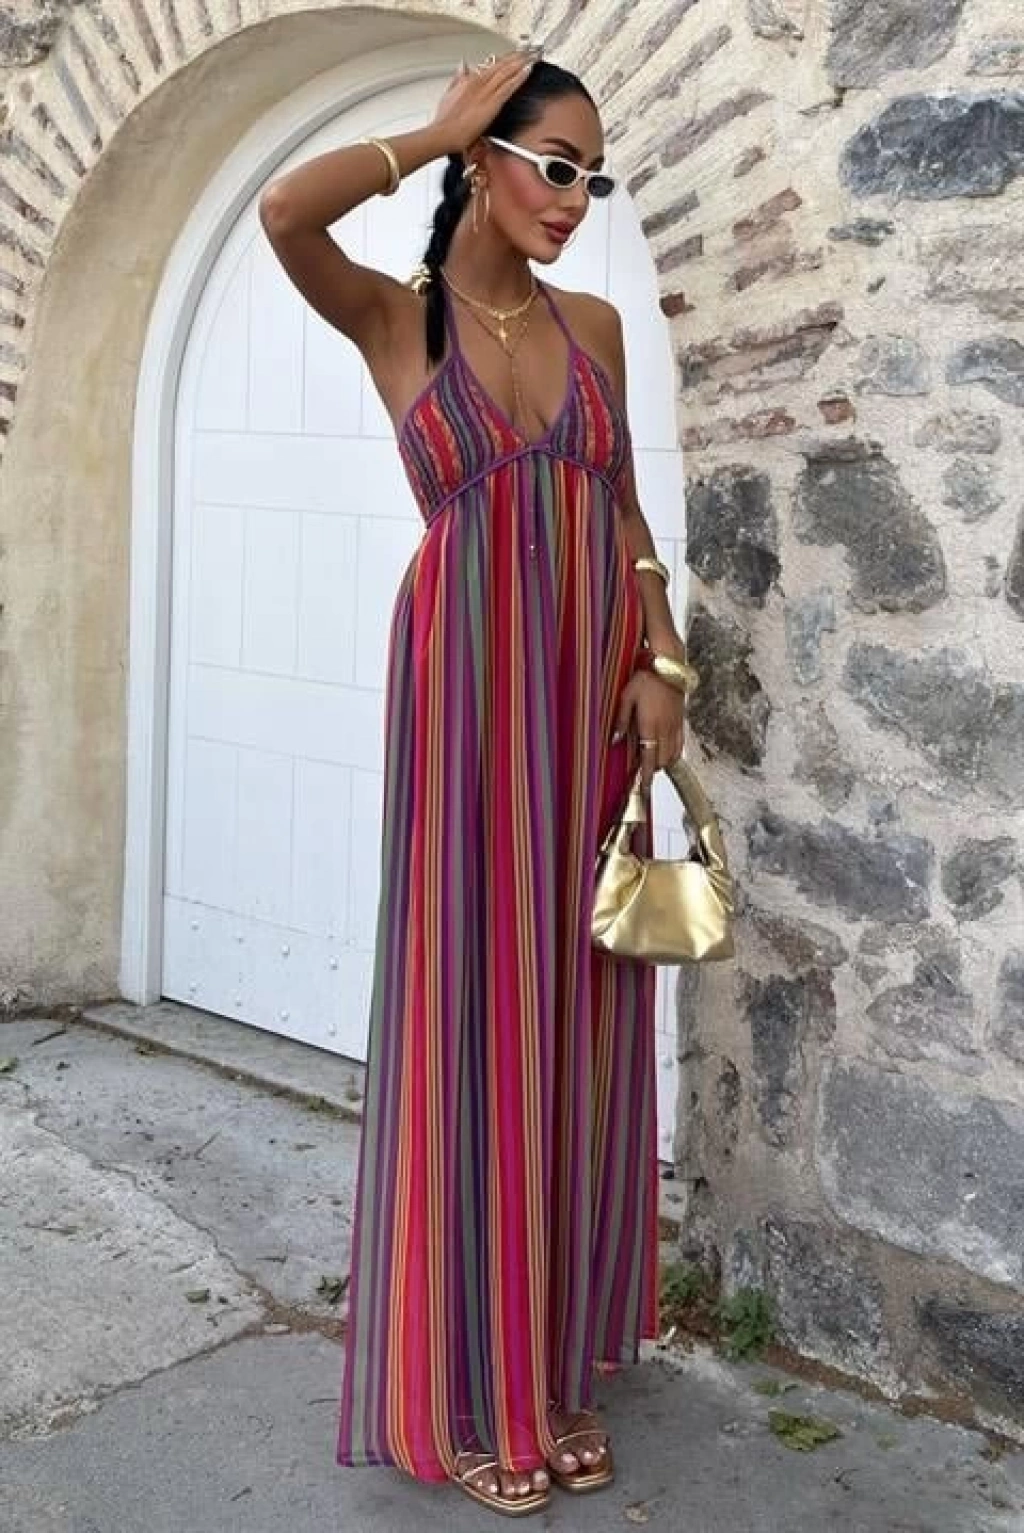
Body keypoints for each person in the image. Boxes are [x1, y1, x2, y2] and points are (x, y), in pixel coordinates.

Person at [259, 45, 691, 1518]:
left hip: (591, 698)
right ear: (485, 163)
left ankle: (555, 1366)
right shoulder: (398, 321)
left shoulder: (594, 327)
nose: (574, 197)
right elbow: (284, 211)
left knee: (576, 1018)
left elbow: (622, 507)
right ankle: (477, 1380)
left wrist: (664, 657)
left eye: (592, 177)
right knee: (477, 1014)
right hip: (466, 700)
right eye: (554, 165)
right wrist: (429, 128)